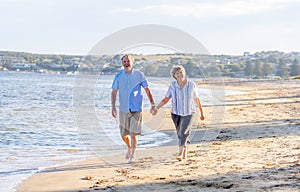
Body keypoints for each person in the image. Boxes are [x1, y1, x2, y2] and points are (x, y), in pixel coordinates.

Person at [152, 65, 204, 161]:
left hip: (189, 112)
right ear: (174, 75)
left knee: (183, 132)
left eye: (181, 72)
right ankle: (184, 151)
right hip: (176, 113)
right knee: (180, 133)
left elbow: (196, 99)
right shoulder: (172, 85)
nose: (179, 74)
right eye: (177, 73)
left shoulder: (191, 85)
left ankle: (179, 154)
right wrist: (156, 108)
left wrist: (201, 113)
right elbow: (166, 98)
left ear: (184, 73)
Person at [111, 54, 156, 163]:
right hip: (123, 108)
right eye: (124, 61)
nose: (126, 63)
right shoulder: (118, 76)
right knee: (123, 135)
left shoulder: (139, 75)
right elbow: (114, 92)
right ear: (122, 63)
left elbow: (147, 90)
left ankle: (132, 156)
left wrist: (152, 104)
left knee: (133, 133)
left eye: (128, 61)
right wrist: (113, 107)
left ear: (132, 62)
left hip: (136, 108)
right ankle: (129, 147)